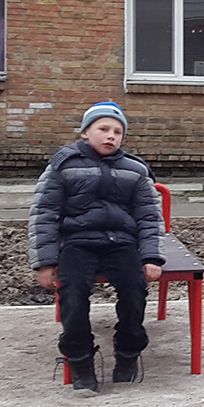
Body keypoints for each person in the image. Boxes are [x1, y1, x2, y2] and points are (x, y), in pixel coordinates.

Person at [29, 102, 165, 392]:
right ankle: (79, 359)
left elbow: (149, 216)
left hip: (121, 243)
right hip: (78, 243)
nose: (111, 136)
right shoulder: (63, 166)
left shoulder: (135, 169)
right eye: (103, 129)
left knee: (134, 290)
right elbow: (44, 214)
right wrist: (45, 262)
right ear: (85, 132)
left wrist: (151, 256)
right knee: (73, 293)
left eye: (117, 131)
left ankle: (128, 352)